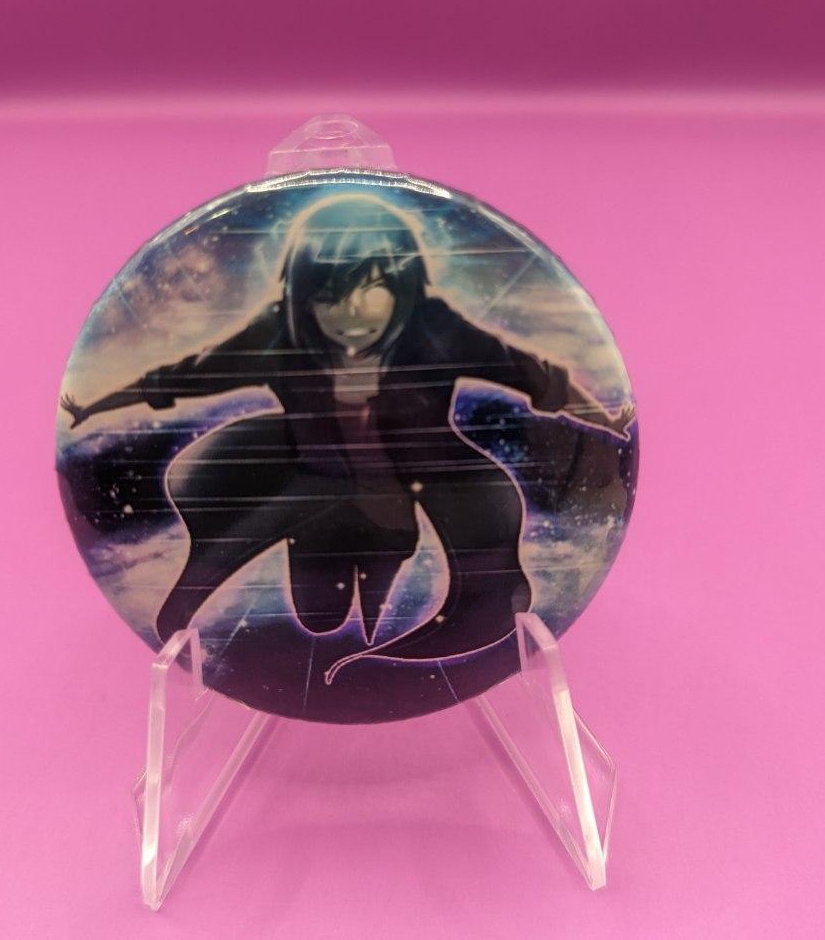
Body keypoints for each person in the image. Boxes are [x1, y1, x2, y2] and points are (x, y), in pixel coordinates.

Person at [60, 194, 633, 683]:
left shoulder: (435, 330)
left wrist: (607, 419)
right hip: (315, 516)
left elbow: (535, 375)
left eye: (374, 287)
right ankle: (343, 644)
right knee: (320, 618)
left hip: (395, 513)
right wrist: (91, 404)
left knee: (376, 604)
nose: (351, 312)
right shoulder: (278, 335)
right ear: (303, 296)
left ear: (404, 286)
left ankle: (375, 656)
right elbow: (180, 377)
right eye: (328, 294)